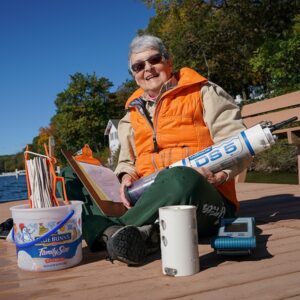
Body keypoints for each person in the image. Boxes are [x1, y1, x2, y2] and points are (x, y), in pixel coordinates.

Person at [62, 34, 251, 265]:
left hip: (204, 198)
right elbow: (125, 161)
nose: (148, 69)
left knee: (180, 175)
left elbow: (239, 144)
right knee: (72, 173)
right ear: (134, 75)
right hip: (145, 196)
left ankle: (114, 231)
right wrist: (125, 175)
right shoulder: (130, 116)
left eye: (154, 60)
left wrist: (219, 175)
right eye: (139, 66)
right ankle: (127, 233)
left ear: (168, 61)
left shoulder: (204, 92)